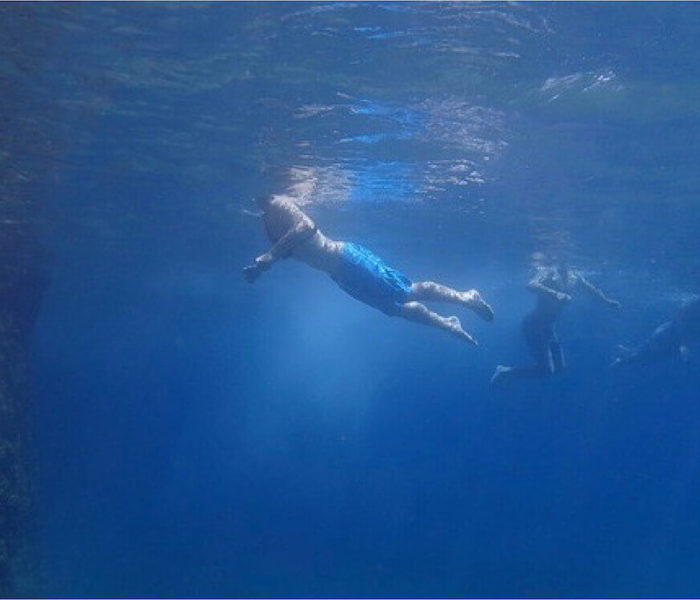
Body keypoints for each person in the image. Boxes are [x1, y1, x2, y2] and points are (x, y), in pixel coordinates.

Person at [243, 192, 494, 345]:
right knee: (393, 308)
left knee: (404, 291)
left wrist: (271, 254)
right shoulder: (266, 218)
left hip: (347, 259)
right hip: (339, 275)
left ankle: (466, 297)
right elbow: (284, 253)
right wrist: (261, 267)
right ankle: (448, 324)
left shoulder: (278, 202)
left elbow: (307, 226)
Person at [491, 256, 620, 384]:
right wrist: (554, 294)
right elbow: (531, 284)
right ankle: (504, 372)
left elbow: (590, 289)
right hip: (533, 324)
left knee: (559, 368)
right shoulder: (548, 271)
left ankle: (506, 372)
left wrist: (607, 301)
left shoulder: (574, 276)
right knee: (546, 369)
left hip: (549, 326)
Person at [611, 296, 700, 368]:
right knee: (645, 354)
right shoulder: (691, 307)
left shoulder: (691, 306)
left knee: (646, 354)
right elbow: (680, 325)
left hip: (668, 335)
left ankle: (627, 354)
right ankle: (625, 358)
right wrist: (683, 346)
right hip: (666, 337)